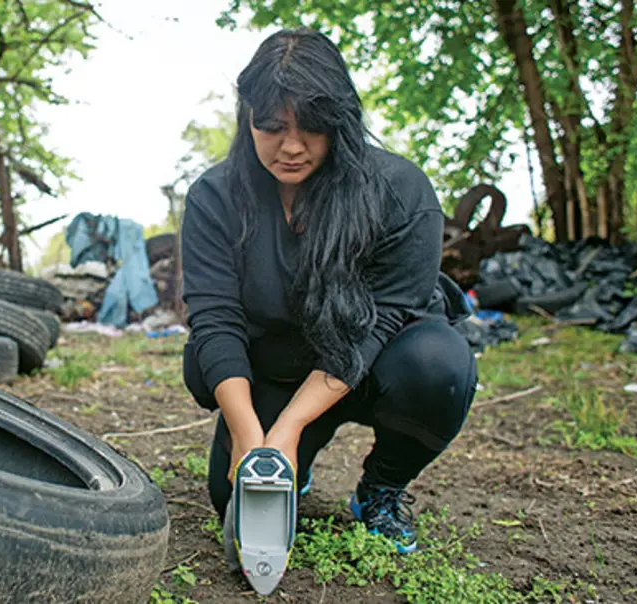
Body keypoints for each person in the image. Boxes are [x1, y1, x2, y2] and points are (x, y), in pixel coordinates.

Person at [180, 28, 478, 554]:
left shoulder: (401, 193)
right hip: (280, 363)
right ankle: (298, 457)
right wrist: (253, 438)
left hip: (376, 361)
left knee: (440, 367)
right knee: (232, 496)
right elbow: (215, 319)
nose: (291, 147)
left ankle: (382, 487)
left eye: (311, 128)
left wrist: (289, 425)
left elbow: (383, 321)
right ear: (246, 117)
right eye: (271, 127)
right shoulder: (214, 197)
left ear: (339, 120)